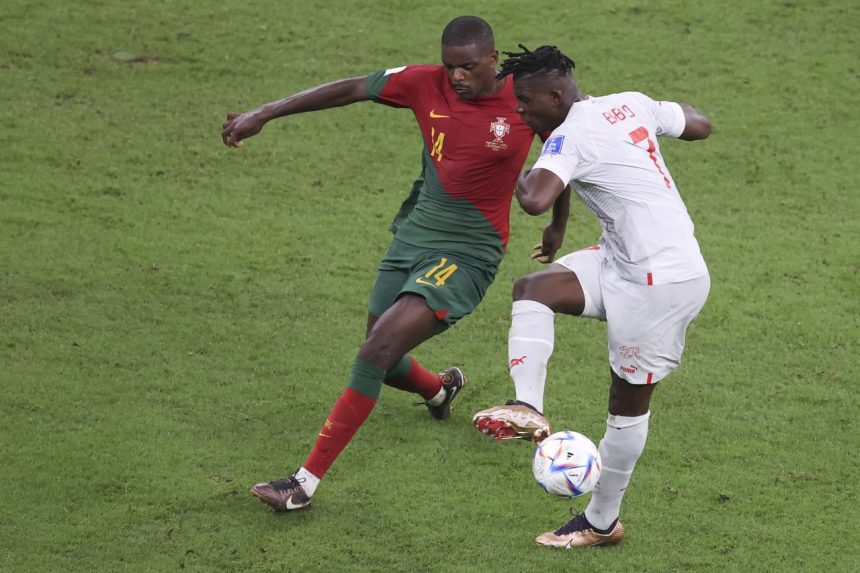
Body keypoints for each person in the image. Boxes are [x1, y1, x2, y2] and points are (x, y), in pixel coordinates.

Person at [221, 18, 564, 512]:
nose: (457, 77)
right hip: (414, 236)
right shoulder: (425, 82)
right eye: (450, 67)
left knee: (377, 349)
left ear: (493, 60)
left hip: (468, 253)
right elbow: (353, 87)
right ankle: (440, 390)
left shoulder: (523, 96)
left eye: (467, 67)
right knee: (380, 354)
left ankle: (302, 484)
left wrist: (557, 223)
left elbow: (563, 151)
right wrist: (265, 112)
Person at [472, 45, 712, 548]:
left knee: (625, 404)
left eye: (526, 102)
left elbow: (535, 196)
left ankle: (601, 522)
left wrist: (508, 162)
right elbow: (698, 123)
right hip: (622, 260)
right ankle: (527, 406)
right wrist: (562, 224)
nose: (519, 111)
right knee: (533, 289)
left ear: (555, 95)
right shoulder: (627, 102)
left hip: (662, 284)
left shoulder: (570, 135)